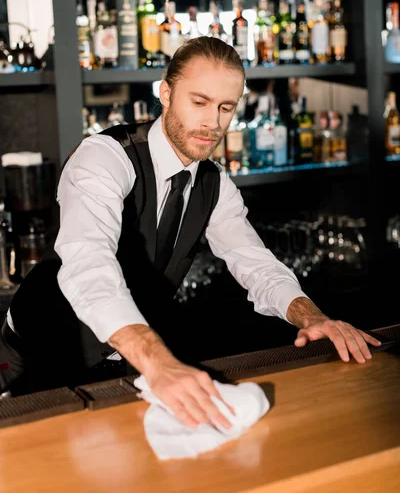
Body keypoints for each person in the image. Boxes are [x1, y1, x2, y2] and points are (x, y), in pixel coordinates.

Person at [0, 36, 380, 431]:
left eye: (225, 107)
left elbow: (254, 262)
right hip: (42, 346)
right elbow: (89, 266)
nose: (213, 123)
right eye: (199, 102)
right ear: (166, 93)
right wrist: (160, 363)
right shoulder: (105, 157)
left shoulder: (215, 185)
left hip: (128, 356)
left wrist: (311, 317)